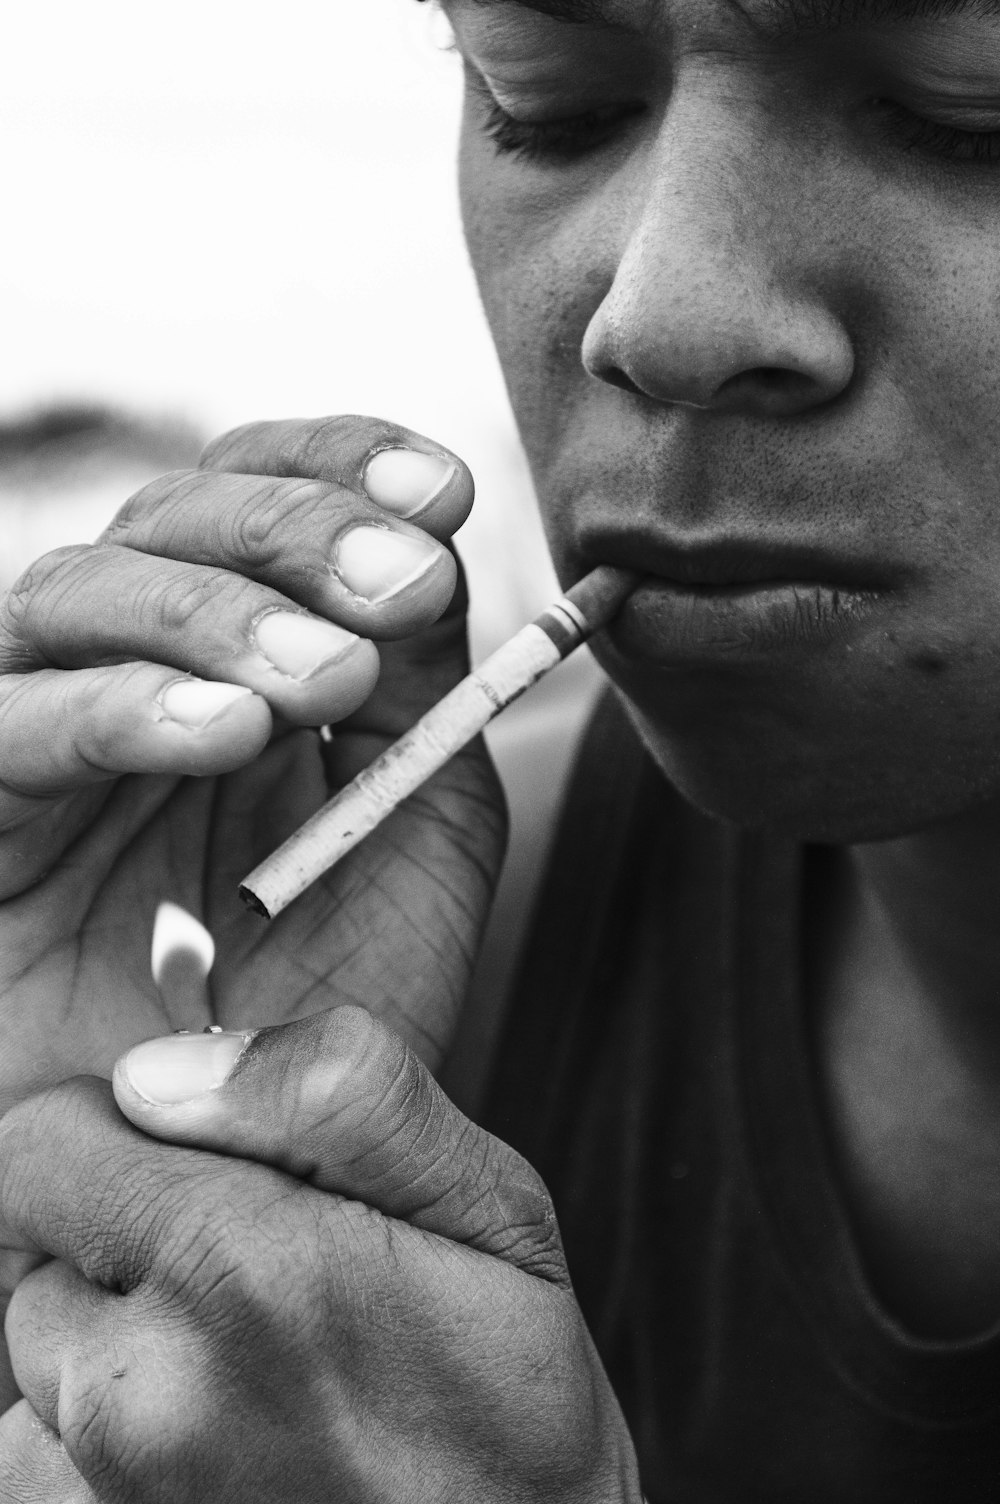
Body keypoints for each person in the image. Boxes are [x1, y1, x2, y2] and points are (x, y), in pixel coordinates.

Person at [2, 0, 1000, 1496]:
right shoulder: (422, 947)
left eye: (967, 106)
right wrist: (62, 1225)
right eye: (548, 98)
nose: (655, 315)